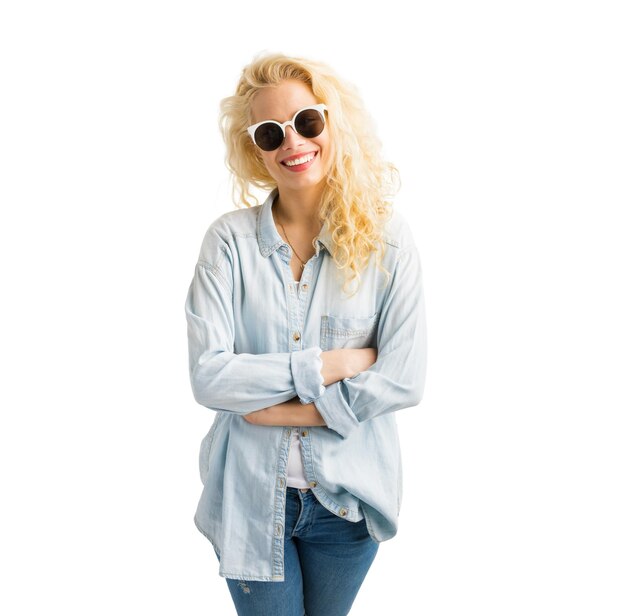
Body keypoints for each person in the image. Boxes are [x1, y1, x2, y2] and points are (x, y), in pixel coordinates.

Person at [184, 51, 427, 616]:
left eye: (307, 122)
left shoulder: (387, 241)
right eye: (271, 133)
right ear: (255, 148)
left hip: (348, 503)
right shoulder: (228, 244)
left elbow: (403, 380)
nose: (292, 142)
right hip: (246, 498)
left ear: (332, 123)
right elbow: (209, 376)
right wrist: (332, 364)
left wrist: (280, 409)